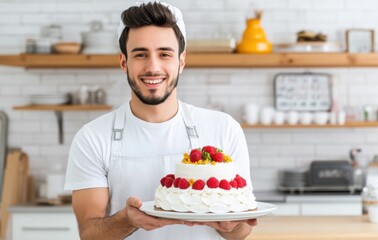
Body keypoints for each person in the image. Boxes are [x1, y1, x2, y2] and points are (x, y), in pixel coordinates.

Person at [64, 1, 257, 240]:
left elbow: (240, 233)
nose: (153, 67)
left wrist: (231, 226)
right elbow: (89, 234)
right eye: (141, 54)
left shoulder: (224, 128)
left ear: (181, 61)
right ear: (124, 62)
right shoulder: (92, 137)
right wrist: (127, 220)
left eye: (164, 54)